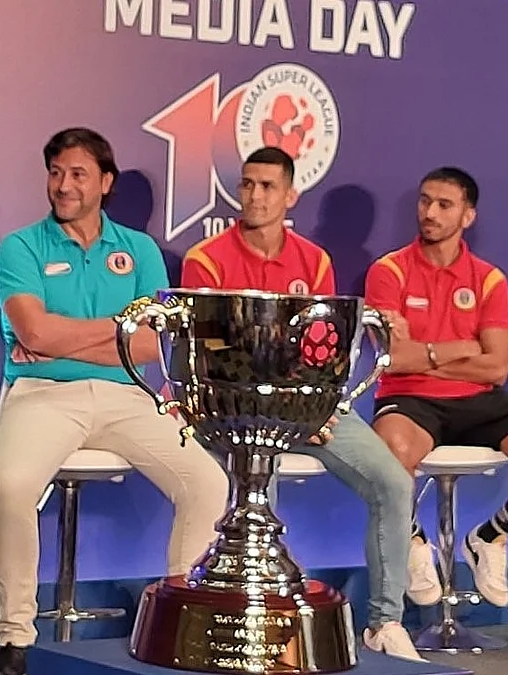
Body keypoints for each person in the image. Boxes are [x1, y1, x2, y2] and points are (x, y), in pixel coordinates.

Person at [0, 128, 229, 675]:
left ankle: (180, 622)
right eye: (55, 173)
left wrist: (59, 337)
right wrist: (111, 335)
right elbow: (35, 331)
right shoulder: (22, 246)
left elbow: (151, 344)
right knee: (13, 487)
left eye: (76, 174)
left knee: (208, 482)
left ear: (105, 182)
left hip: (127, 395)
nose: (62, 185)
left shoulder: (139, 250)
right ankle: (15, 637)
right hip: (42, 394)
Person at [179, 147, 424, 662]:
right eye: (247, 185)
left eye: (268, 186)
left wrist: (309, 407)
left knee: (393, 482)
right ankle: (252, 621)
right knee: (256, 480)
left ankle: (385, 622)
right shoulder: (207, 259)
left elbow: (319, 348)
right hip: (236, 411)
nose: (255, 196)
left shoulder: (315, 261)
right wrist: (278, 410)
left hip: (308, 406)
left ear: (290, 195)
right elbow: (210, 357)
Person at [364, 166, 508, 612]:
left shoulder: (489, 280)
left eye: (444, 205)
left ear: (468, 216)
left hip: (480, 402)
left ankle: (490, 537)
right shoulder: (388, 271)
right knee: (390, 450)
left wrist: (427, 354)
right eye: (425, 201)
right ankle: (413, 542)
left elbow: (497, 368)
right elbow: (392, 359)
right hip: (407, 400)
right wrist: (461, 350)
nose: (429, 212)